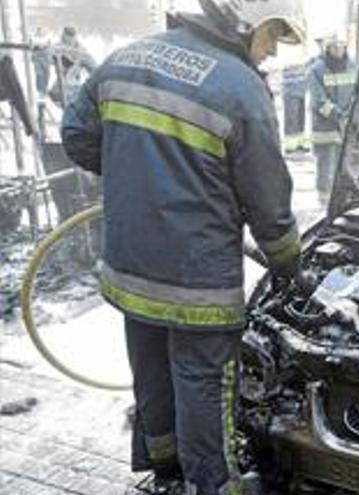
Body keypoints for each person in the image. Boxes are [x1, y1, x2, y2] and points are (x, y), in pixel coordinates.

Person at [61, 1, 306, 493]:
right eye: (271, 35)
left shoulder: (128, 57)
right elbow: (268, 201)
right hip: (197, 281)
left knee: (150, 365)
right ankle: (212, 485)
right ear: (242, 22)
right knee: (203, 383)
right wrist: (288, 267)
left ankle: (164, 468)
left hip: (130, 268)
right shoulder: (241, 88)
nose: (272, 50)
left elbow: (76, 135)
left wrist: (139, 177)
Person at [307, 33, 357, 205]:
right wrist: (339, 115)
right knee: (325, 163)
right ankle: (323, 198)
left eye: (341, 46)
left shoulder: (352, 66)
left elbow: (357, 92)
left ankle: (339, 198)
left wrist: (350, 113)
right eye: (334, 47)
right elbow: (318, 101)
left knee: (343, 164)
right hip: (325, 126)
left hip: (346, 124)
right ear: (327, 49)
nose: (338, 50)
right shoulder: (317, 69)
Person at [282, 62, 309, 153]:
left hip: (301, 89)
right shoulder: (287, 51)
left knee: (300, 119)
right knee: (292, 119)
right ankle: (290, 146)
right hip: (290, 90)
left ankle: (299, 144)